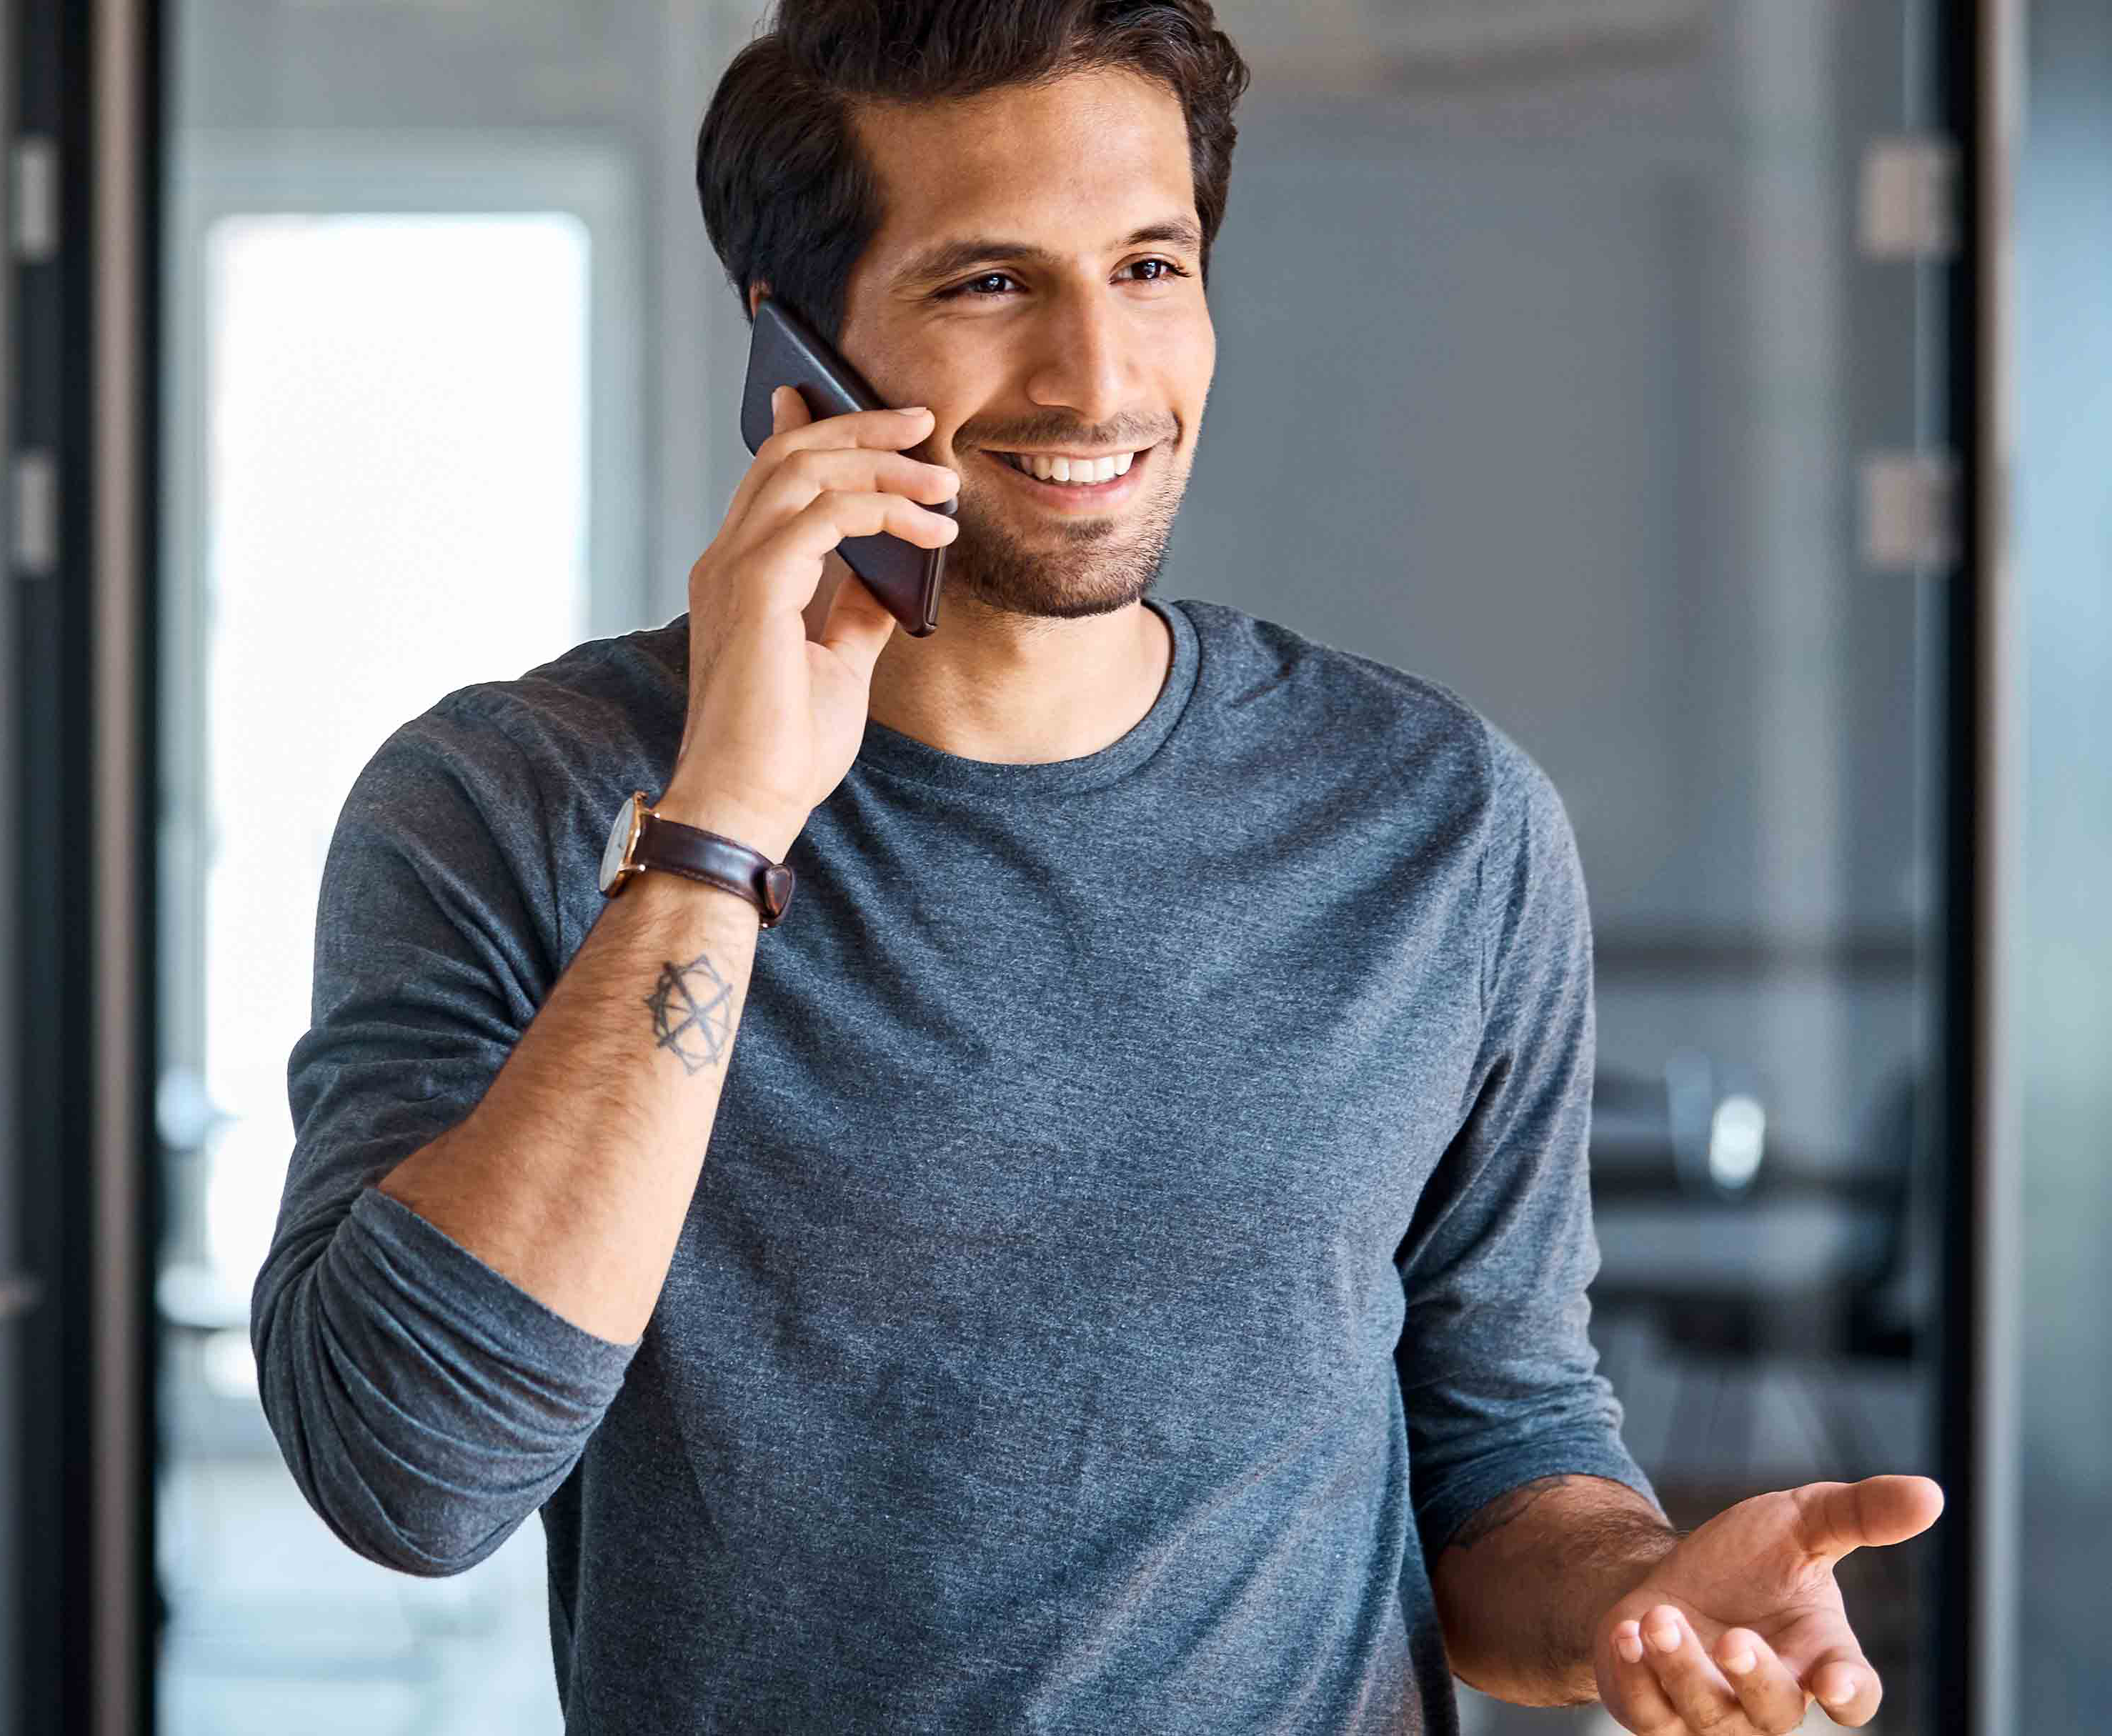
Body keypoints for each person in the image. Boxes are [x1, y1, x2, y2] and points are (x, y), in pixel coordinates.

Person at [250, 2, 1943, 1730]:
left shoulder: (1443, 825)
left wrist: (1633, 1601)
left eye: (1149, 265)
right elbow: (409, 1478)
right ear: (796, 357)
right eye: (989, 284)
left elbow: (1501, 1449)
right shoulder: (503, 802)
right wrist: (727, 822)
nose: (1097, 379)